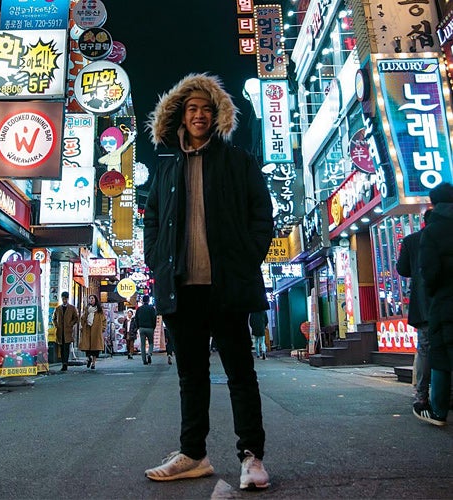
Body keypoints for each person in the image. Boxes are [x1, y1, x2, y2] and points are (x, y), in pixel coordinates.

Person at [143, 73, 273, 490]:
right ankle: (193, 454)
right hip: (183, 288)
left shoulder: (239, 161)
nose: (199, 115)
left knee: (240, 374)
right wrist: (156, 263)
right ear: (180, 116)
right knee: (191, 377)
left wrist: (246, 258)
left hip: (228, 287)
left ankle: (252, 457)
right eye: (191, 109)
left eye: (206, 109)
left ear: (216, 116)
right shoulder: (167, 170)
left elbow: (261, 214)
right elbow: (151, 224)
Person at [417, 182, 453, 425]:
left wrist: (434, 294)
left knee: (440, 356)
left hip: (445, 301)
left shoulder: (431, 231)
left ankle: (439, 411)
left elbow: (429, 273)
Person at [396, 209, 432, 407]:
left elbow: (402, 269)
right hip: (445, 303)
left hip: (423, 304)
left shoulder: (411, 241)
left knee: (425, 349)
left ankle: (421, 395)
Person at [52, 291, 79, 371]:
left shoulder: (72, 308)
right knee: (62, 347)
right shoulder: (58, 308)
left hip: (67, 331)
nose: (64, 300)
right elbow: (54, 318)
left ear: (68, 299)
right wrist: (56, 325)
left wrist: (71, 324)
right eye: (63, 299)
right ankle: (63, 362)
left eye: (66, 299)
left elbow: (76, 318)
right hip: (60, 331)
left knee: (66, 347)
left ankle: (65, 363)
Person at [79, 294, 107, 370]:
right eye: (90, 298)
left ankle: (93, 363)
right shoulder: (87, 309)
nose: (91, 300)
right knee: (87, 347)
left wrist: (102, 328)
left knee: (95, 348)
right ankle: (89, 358)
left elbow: (104, 320)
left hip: (96, 331)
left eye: (92, 298)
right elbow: (82, 318)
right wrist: (83, 325)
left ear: (95, 300)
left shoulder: (99, 310)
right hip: (88, 330)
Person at [135, 295, 157, 365]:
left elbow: (136, 319)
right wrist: (154, 326)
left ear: (142, 301)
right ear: (148, 300)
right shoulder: (151, 308)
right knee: (151, 342)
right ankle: (149, 354)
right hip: (150, 328)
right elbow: (154, 318)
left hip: (141, 328)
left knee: (143, 345)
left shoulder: (139, 309)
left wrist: (138, 326)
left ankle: (144, 360)